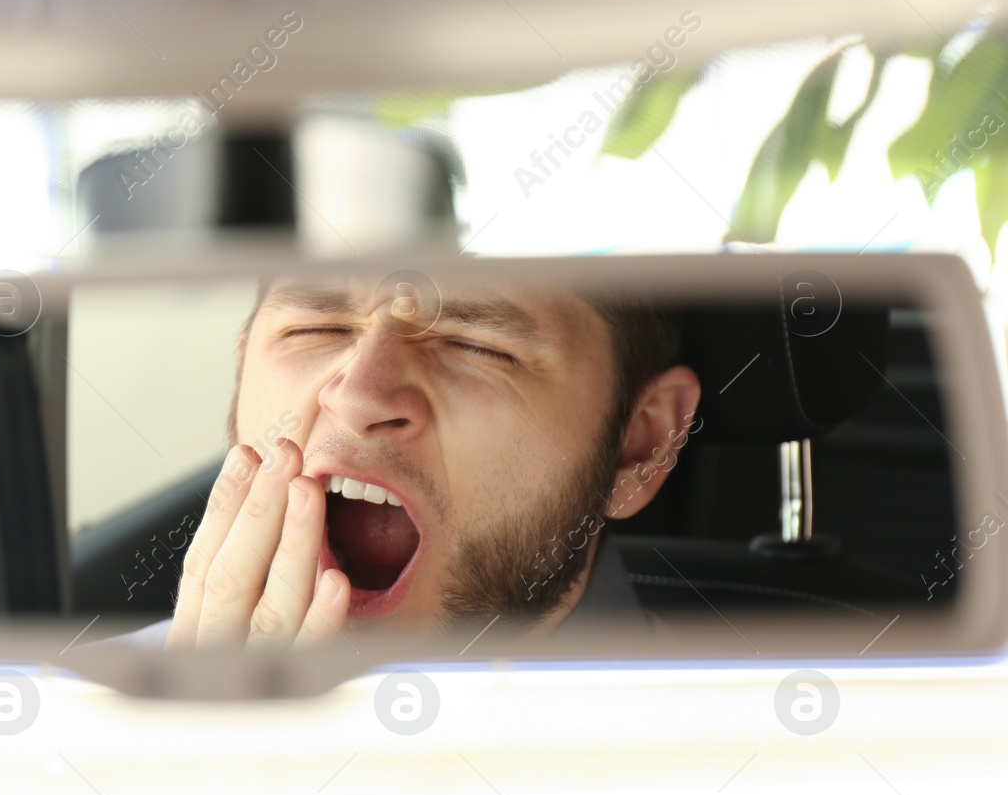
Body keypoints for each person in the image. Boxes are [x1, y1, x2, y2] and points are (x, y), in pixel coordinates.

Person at [133, 270, 702, 649]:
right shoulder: (73, 721)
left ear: (641, 446)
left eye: (478, 346)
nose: (357, 396)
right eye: (315, 329)